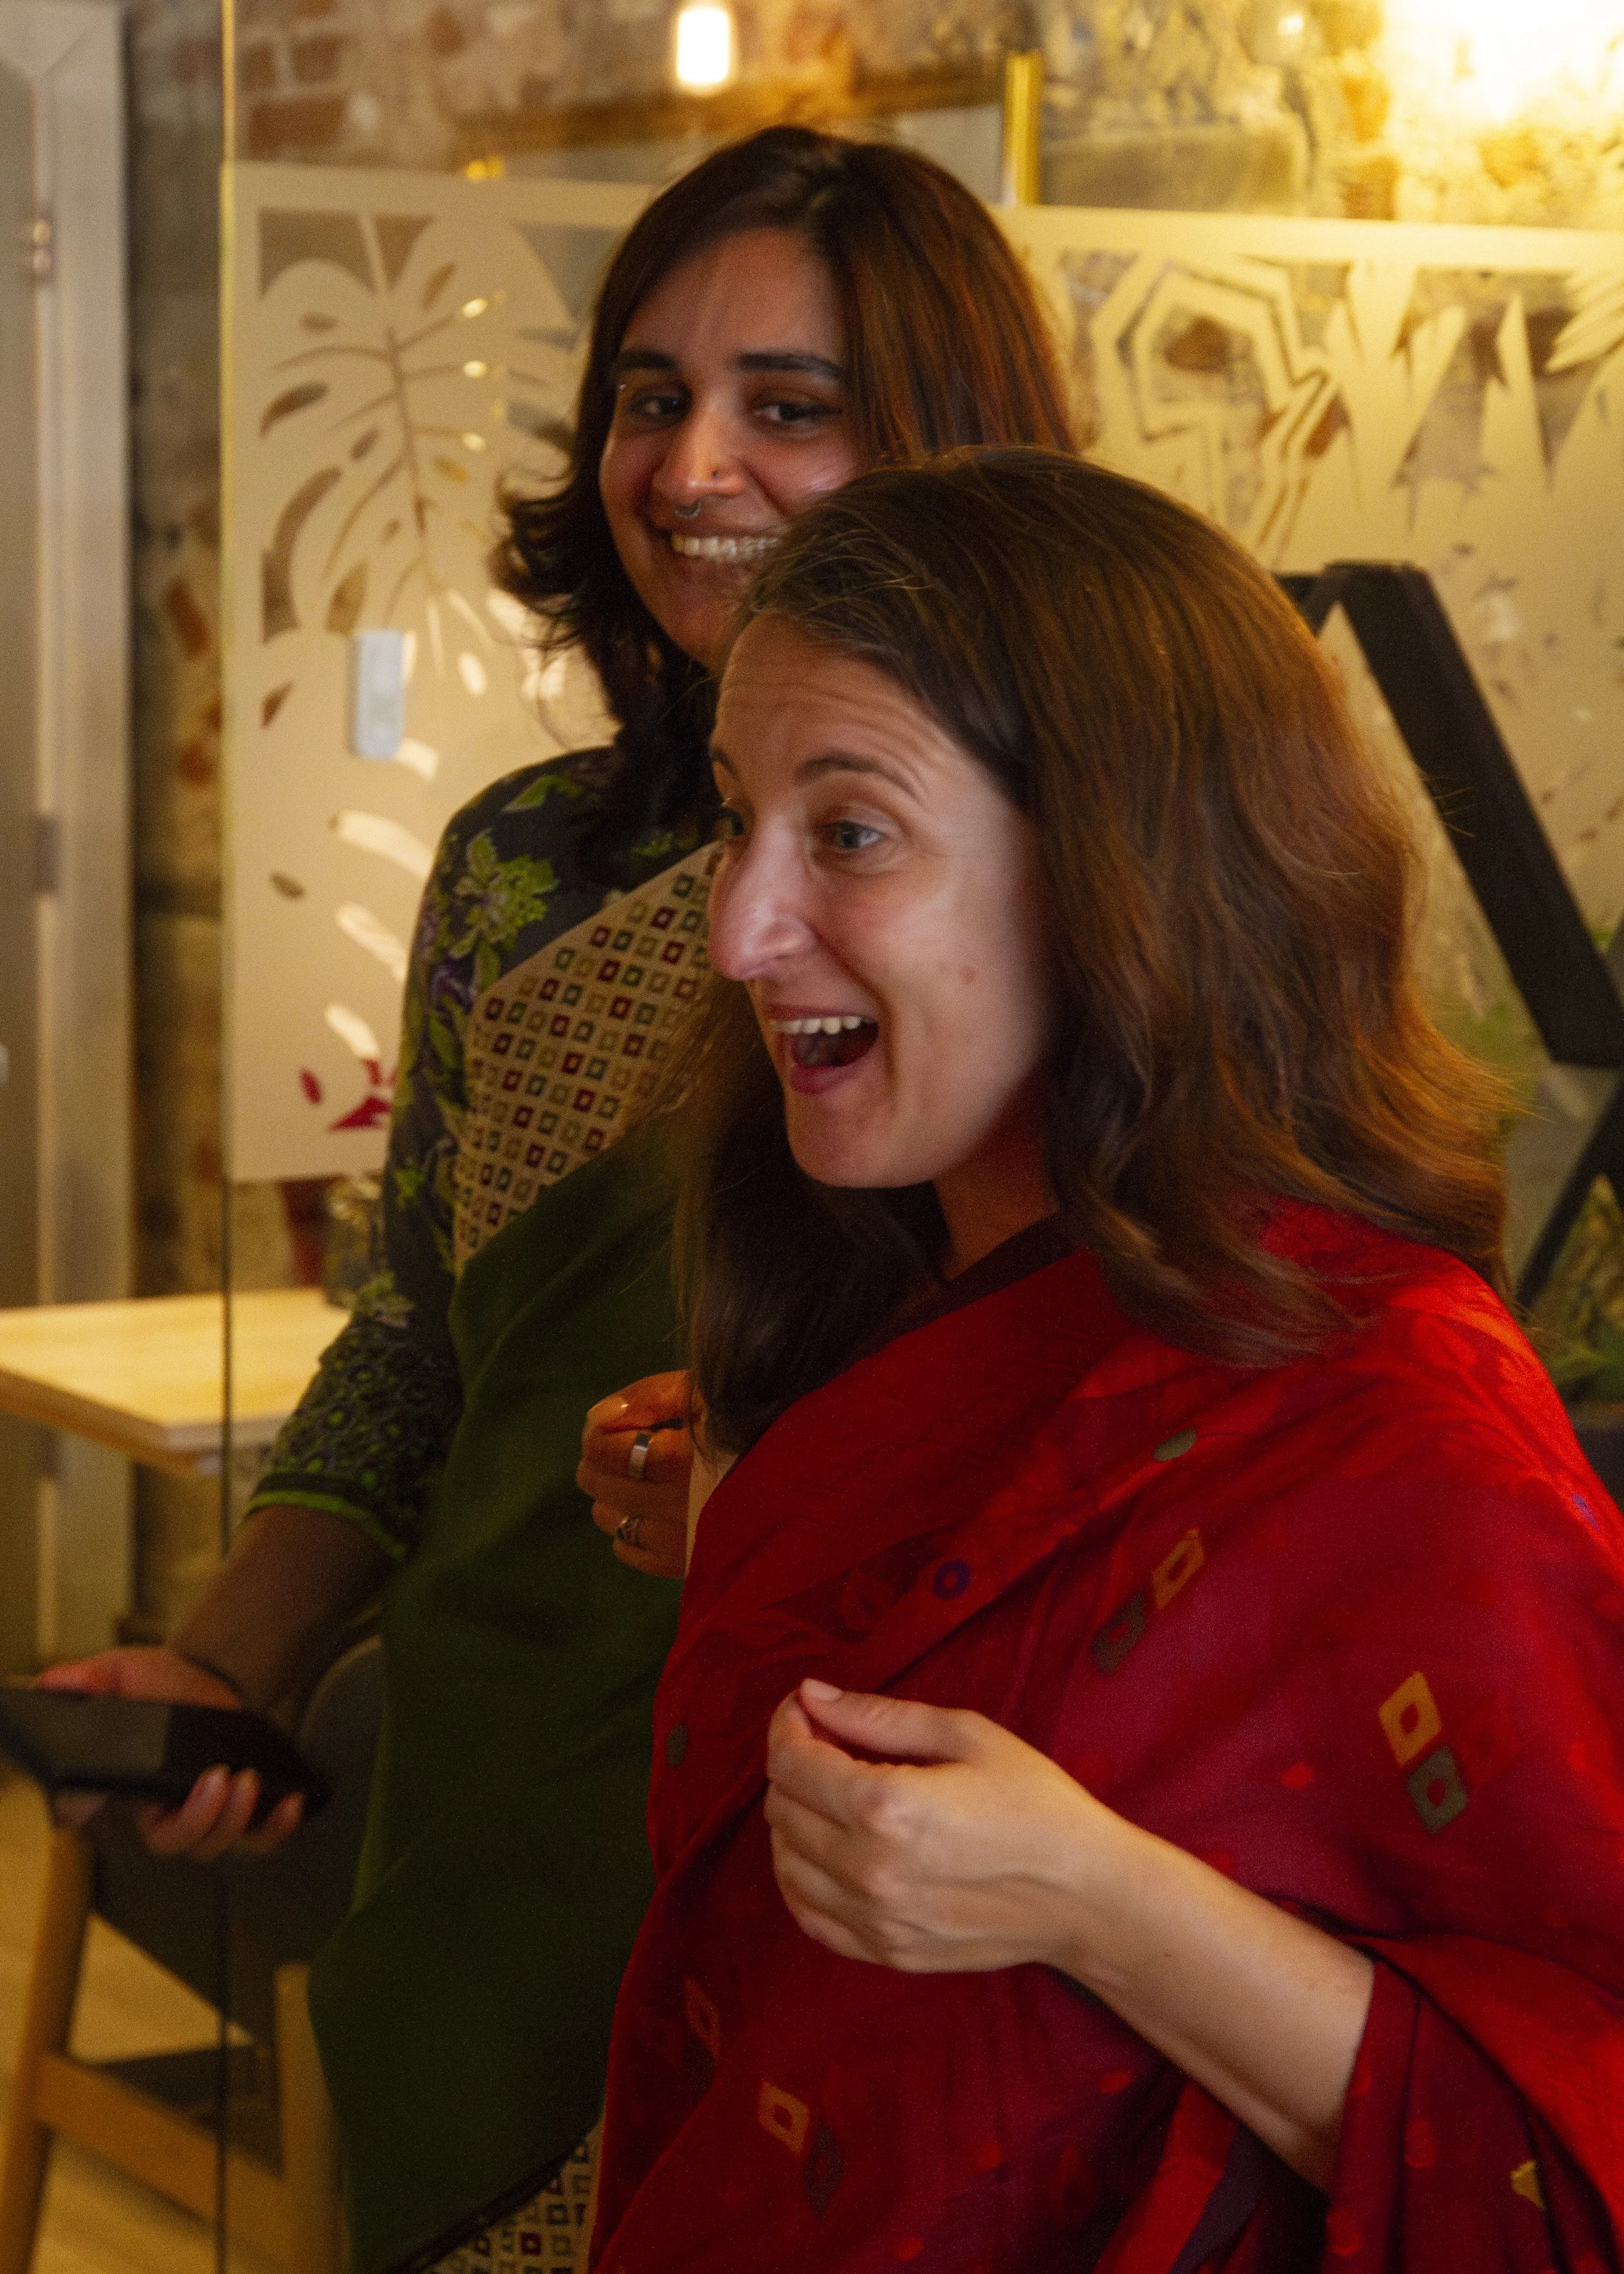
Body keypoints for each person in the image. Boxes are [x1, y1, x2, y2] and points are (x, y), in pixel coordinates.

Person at [40, 134, 1074, 2274]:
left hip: (878, 1825)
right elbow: (425, 1330)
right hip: (501, 1813)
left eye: (791, 405)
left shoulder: (1077, 848)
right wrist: (231, 1663)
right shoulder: (528, 865)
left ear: (949, 442)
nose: (690, 462)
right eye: (646, 393)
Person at [589, 450, 1624, 2270]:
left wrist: (1095, 1900)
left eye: (846, 833)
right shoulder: (868, 1294)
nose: (741, 927)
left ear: (1118, 871)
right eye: (735, 818)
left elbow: (1576, 2148)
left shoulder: (1394, 1421)